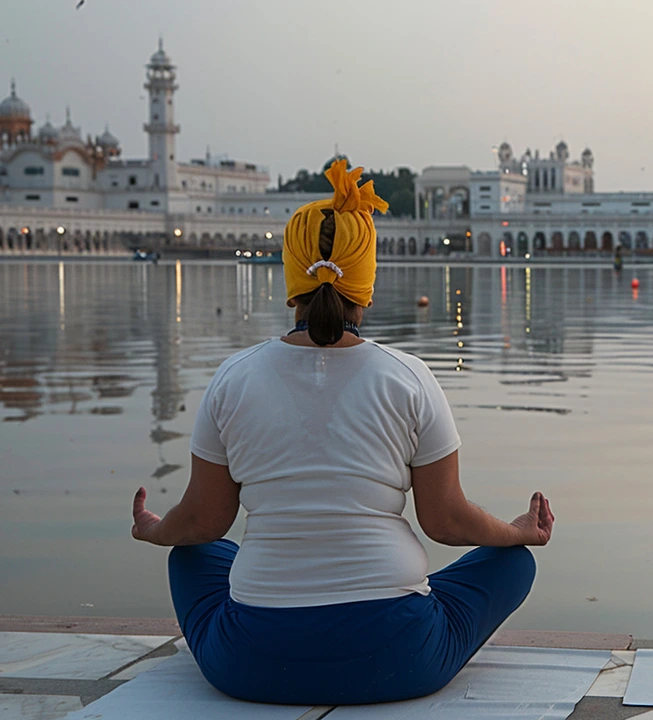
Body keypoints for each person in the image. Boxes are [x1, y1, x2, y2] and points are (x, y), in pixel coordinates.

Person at [129, 159, 554, 706]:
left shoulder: (233, 378)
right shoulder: (409, 378)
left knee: (189, 553)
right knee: (511, 562)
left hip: (253, 662)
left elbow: (203, 523)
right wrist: (518, 531)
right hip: (399, 657)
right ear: (366, 284)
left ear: (290, 278)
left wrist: (154, 529)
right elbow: (445, 521)